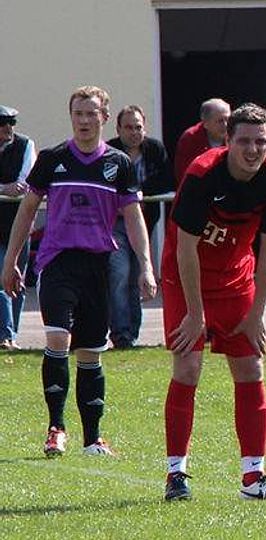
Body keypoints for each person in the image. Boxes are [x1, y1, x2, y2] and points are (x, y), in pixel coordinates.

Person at [1, 86, 157, 457]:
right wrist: (10, 263)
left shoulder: (119, 164)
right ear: (71, 117)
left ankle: (93, 438)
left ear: (104, 118)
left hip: (98, 265)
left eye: (91, 114)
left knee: (90, 352)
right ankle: (56, 428)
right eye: (78, 114)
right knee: (58, 340)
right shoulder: (53, 159)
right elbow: (27, 209)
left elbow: (133, 216)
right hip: (58, 262)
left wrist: (146, 266)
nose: (84, 121)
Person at [160, 103, 266, 502]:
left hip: (236, 280)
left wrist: (256, 314)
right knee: (188, 366)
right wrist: (196, 314)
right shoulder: (203, 173)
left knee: (251, 367)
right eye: (244, 141)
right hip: (187, 279)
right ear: (228, 140)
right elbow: (185, 249)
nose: (253, 149)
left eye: (261, 141)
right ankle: (175, 474)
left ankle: (254, 478)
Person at [106, 105, 174, 348]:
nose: (134, 132)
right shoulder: (109, 150)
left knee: (137, 276)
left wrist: (141, 194)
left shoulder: (154, 149)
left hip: (145, 222)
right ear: (118, 129)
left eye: (138, 127)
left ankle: (131, 332)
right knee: (119, 274)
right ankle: (121, 333)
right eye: (128, 127)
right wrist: (130, 196)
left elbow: (167, 179)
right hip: (115, 223)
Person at [0, 104, 36, 350]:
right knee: (1, 276)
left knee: (17, 280)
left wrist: (15, 187)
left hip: (18, 224)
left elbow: (26, 182)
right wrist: (4, 189)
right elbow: (11, 188)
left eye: (12, 124)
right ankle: (5, 335)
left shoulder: (26, 145)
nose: (9, 129)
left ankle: (12, 334)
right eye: (4, 124)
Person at [174, 98, 231, 186]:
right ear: (205, 123)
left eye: (227, 119)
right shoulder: (190, 138)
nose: (226, 125)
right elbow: (183, 175)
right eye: (220, 121)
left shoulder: (236, 137)